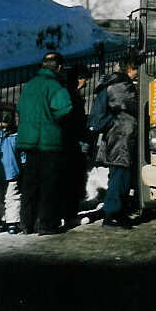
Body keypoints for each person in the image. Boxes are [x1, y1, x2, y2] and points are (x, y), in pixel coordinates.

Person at [16, 51, 73, 235]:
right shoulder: (55, 86)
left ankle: (27, 223)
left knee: (30, 183)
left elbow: (20, 108)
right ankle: (46, 223)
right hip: (49, 141)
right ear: (59, 67)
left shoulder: (29, 85)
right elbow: (64, 109)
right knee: (49, 184)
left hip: (29, 141)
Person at [94, 54, 139, 229]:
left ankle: (116, 213)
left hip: (115, 136)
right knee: (120, 177)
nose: (137, 73)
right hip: (121, 137)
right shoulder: (122, 85)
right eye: (136, 69)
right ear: (130, 68)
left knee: (118, 175)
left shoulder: (111, 82)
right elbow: (134, 105)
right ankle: (112, 215)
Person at [61, 65, 91, 230]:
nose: (85, 83)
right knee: (74, 179)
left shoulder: (64, 94)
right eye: (84, 79)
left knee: (68, 179)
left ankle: (66, 212)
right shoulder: (73, 97)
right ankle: (70, 215)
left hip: (67, 142)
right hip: (75, 142)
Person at [0, 103, 22, 234]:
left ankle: (11, 221)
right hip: (2, 171)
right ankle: (4, 220)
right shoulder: (12, 134)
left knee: (11, 197)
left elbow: (21, 151)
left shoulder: (14, 135)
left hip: (9, 171)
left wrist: (23, 161)